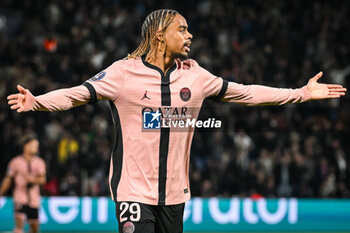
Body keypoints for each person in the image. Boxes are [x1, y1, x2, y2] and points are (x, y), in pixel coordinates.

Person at [7, 9, 346, 233]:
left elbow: (246, 92)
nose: (190, 35)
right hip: (133, 192)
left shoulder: (195, 75)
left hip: (175, 196)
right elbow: (76, 94)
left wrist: (300, 93)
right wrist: (37, 102)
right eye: (181, 29)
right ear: (159, 36)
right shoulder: (123, 73)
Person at [0, 134, 46, 233]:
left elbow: (43, 180)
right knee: (19, 224)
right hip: (20, 197)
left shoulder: (40, 162)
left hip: (34, 198)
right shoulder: (15, 162)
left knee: (34, 228)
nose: (36, 148)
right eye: (34, 145)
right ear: (26, 146)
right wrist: (1, 192)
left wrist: (32, 180)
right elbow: (8, 179)